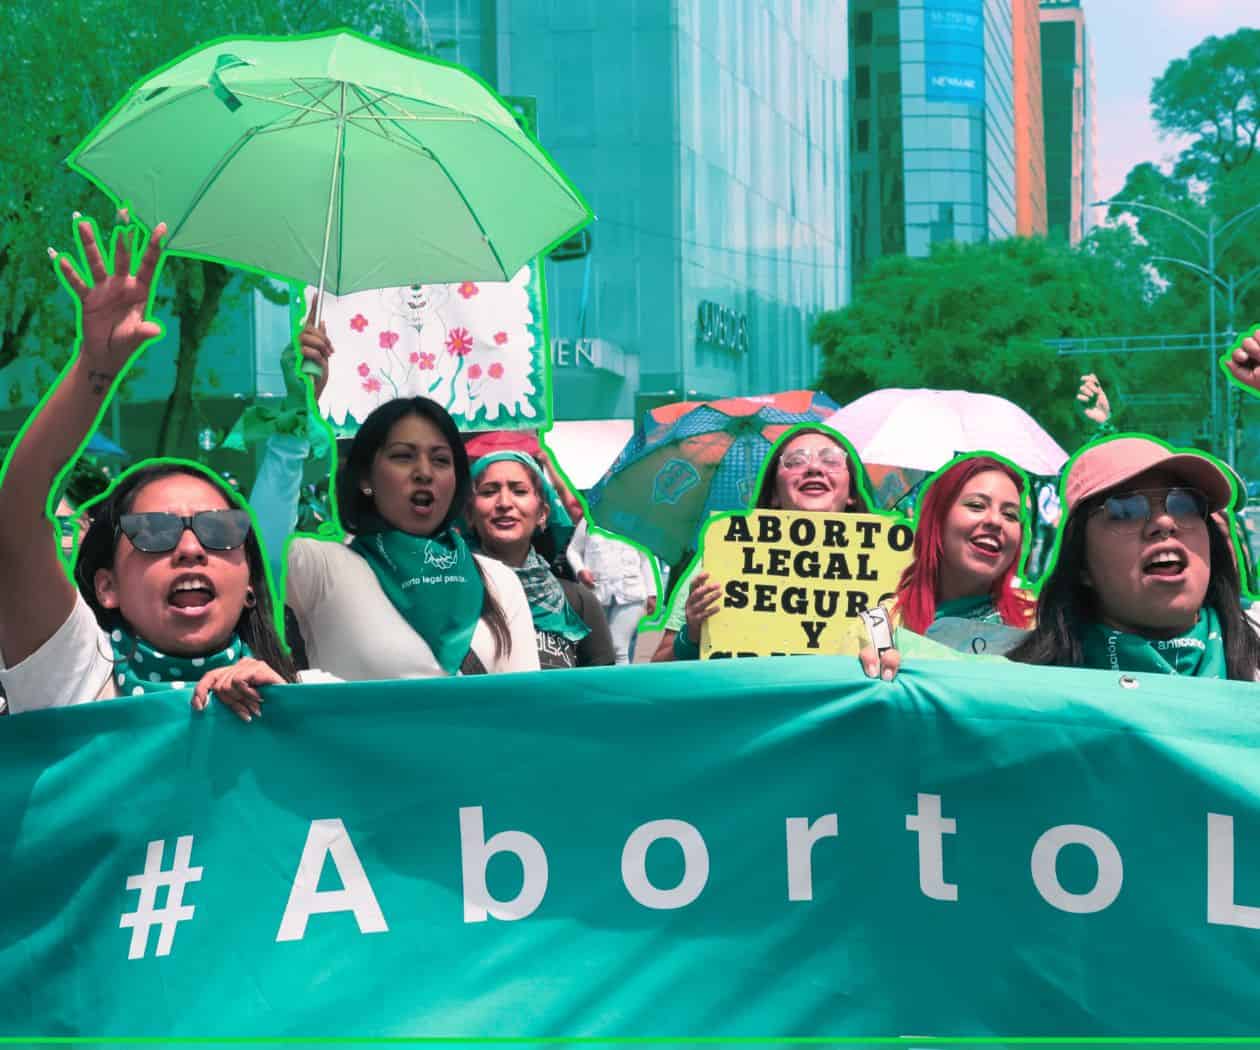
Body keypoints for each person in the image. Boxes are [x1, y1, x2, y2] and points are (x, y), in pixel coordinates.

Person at [0, 213, 296, 720]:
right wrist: (95, 366)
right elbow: (17, 514)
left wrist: (297, 708)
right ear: (106, 587)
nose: (189, 548)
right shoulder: (79, 681)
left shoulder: (321, 696)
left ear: (250, 583)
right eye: (153, 531)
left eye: (220, 530)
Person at [279, 398, 540, 679]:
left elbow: (525, 704)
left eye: (441, 460)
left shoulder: (498, 581)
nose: (424, 473)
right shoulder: (323, 569)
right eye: (403, 456)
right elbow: (262, 547)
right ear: (366, 477)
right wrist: (294, 419)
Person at [1005, 435, 1260, 679]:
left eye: (1185, 504)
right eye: (1125, 510)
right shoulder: (1024, 694)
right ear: (1081, 565)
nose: (1164, 521)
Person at [652, 424, 876, 662]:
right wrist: (692, 635)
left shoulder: (888, 568)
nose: (813, 468)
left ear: (851, 492)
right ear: (774, 494)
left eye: (831, 460)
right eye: (796, 460)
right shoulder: (722, 560)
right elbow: (657, 672)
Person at [466, 451, 615, 669]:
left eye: (519, 491)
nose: (504, 502)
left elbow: (602, 690)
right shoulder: (450, 596)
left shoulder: (578, 602)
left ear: (543, 514)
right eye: (489, 492)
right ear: (469, 515)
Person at [892, 454, 1035, 653]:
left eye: (1010, 515)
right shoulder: (879, 631)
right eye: (976, 505)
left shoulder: (1040, 627)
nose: (995, 521)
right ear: (937, 519)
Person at [567, 515, 658, 664]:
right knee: (596, 648)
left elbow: (646, 557)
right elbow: (573, 550)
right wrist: (580, 570)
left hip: (632, 594)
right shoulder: (589, 519)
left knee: (618, 647)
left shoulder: (637, 519)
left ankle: (621, 685)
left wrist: (652, 593)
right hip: (596, 595)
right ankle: (599, 682)